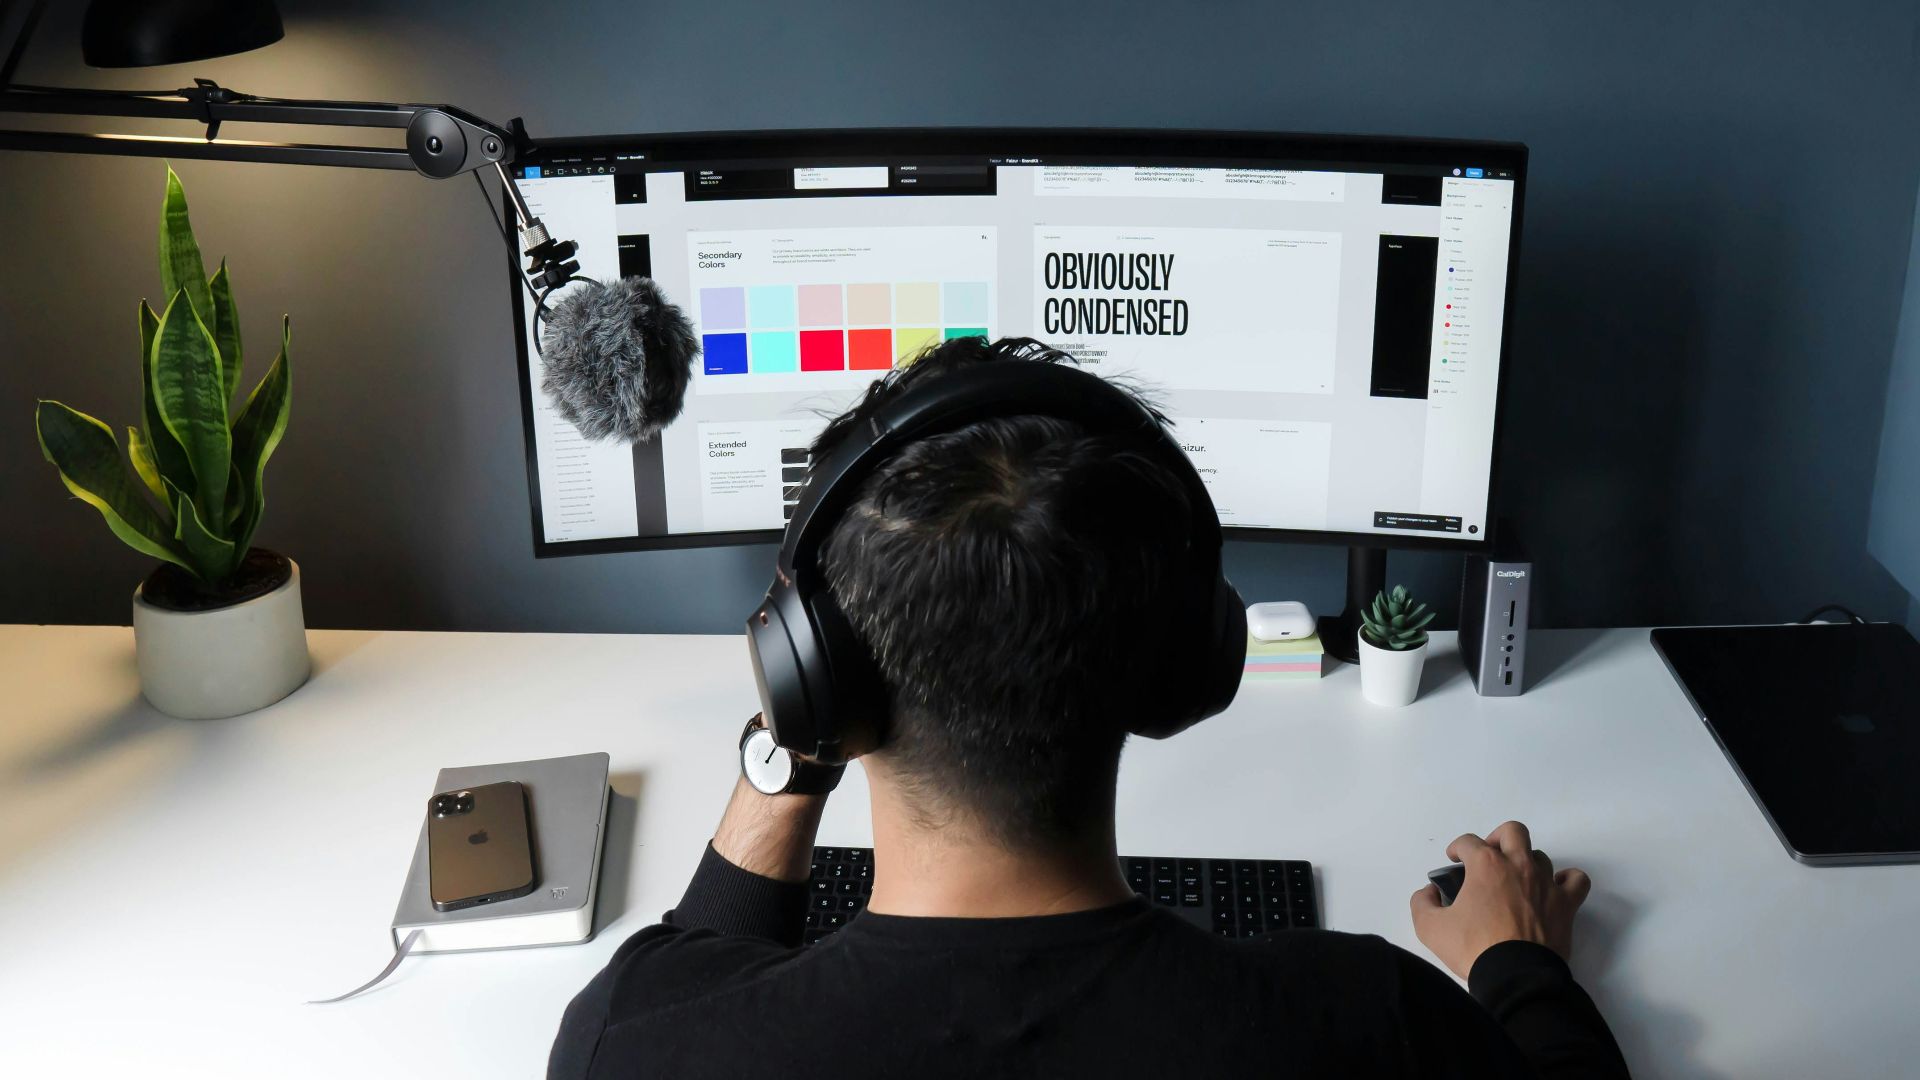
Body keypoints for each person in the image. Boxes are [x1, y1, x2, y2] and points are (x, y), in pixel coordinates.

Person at [549, 337, 1630, 1079]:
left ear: (811, 676)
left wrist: (790, 749)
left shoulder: (638, 1043)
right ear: (1187, 666)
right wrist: (1520, 961)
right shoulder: (1367, 1022)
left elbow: (694, 960)